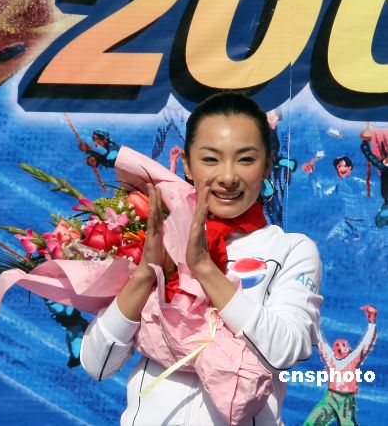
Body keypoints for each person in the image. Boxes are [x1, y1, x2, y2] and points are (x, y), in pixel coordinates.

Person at [80, 92, 323, 425]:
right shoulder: (155, 233)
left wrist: (205, 269)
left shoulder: (291, 249)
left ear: (267, 165)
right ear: (187, 165)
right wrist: (146, 274)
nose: (228, 177)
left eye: (245, 160)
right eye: (211, 159)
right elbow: (97, 365)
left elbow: (286, 350)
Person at [304, 305, 377, 425]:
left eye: (344, 345)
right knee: (313, 421)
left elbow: (366, 343)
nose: (341, 346)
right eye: (338, 345)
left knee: (347, 423)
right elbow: (321, 341)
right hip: (330, 396)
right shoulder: (331, 359)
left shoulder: (352, 359)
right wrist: (313, 319)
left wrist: (372, 321)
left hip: (345, 399)